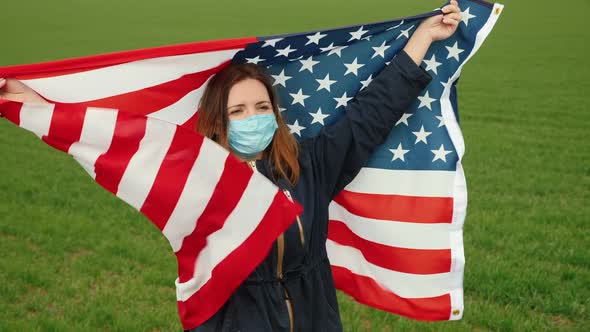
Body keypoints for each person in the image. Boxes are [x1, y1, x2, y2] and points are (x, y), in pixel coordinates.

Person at [0, 2, 461, 331]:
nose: (253, 119)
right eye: (238, 111)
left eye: (262, 107)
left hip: (317, 317)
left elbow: (370, 115)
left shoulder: (309, 167)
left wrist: (422, 38)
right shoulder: (199, 182)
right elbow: (111, 137)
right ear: (217, 122)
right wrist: (38, 106)